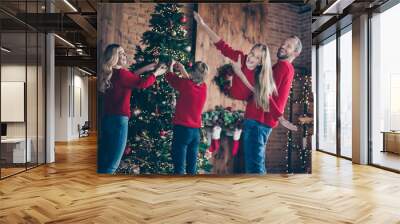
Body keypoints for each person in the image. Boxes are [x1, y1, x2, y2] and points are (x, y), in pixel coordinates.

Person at [194, 12, 300, 174]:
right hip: (256, 119)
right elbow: (222, 45)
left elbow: (265, 94)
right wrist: (203, 25)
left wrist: (279, 116)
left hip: (259, 121)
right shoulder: (246, 61)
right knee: (255, 164)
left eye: (289, 46)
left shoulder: (276, 69)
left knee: (254, 167)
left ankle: (259, 196)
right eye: (284, 43)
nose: (283, 46)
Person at [97, 44, 168, 174]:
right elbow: (142, 83)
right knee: (113, 163)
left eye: (124, 53)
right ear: (113, 57)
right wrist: (156, 73)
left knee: (104, 159)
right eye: (120, 53)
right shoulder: (123, 75)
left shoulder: (111, 74)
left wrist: (149, 67)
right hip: (120, 121)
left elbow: (132, 76)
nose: (124, 55)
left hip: (107, 119)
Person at [165, 60, 208, 175]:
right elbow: (191, 81)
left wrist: (170, 66)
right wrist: (183, 70)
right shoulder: (204, 87)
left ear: (193, 73)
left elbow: (170, 77)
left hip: (182, 130)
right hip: (196, 133)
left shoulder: (185, 85)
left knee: (179, 168)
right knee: (191, 168)